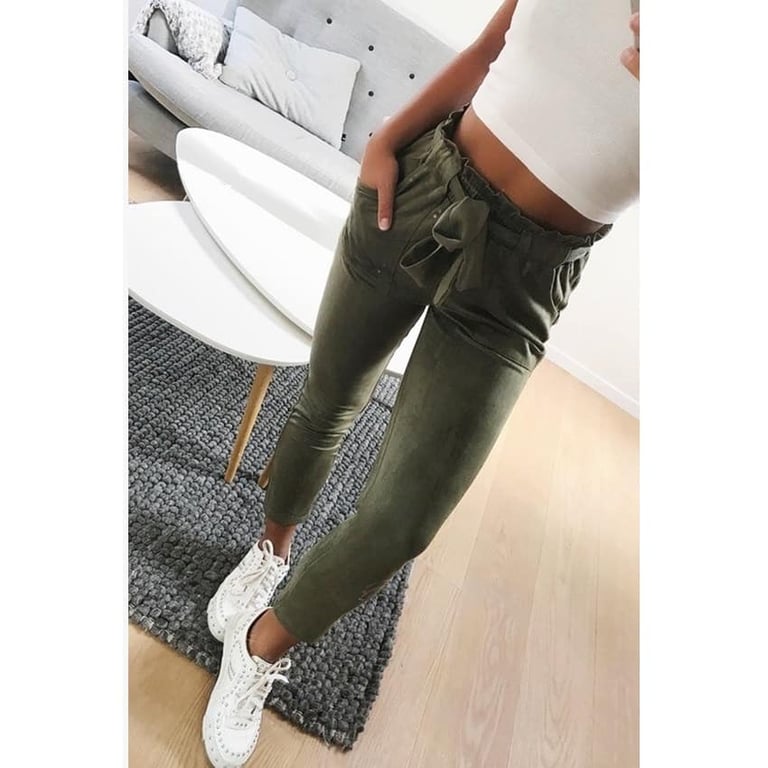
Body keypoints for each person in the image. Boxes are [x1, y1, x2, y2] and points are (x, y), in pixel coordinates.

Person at [201, 3, 640, 765]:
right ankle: (270, 552)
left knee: (406, 519)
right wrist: (386, 139)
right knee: (328, 400)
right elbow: (491, 46)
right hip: (425, 185)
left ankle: (260, 641)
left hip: (525, 282)